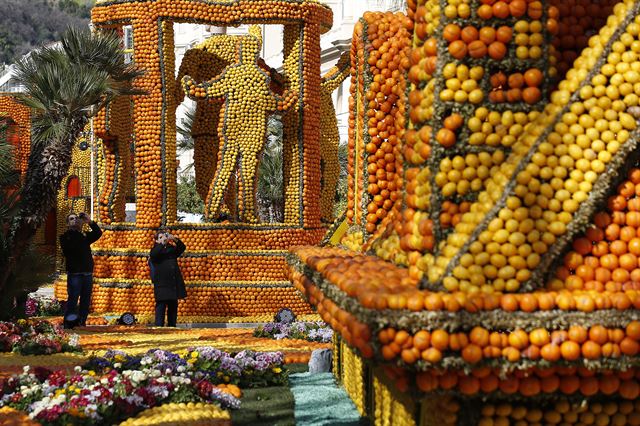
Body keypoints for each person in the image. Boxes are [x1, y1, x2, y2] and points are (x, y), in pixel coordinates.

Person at [60, 212, 102, 328]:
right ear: (68, 224)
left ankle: (81, 322)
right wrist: (77, 231)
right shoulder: (65, 237)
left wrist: (89, 222)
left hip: (87, 273)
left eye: (77, 218)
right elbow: (71, 248)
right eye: (72, 219)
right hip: (75, 274)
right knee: (73, 300)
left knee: (85, 300)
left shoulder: (84, 236)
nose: (75, 220)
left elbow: (98, 233)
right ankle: (69, 324)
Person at [149, 231, 187, 327]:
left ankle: (172, 326)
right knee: (161, 306)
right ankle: (159, 327)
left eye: (164, 236)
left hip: (173, 283)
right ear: (157, 240)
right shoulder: (155, 250)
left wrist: (174, 239)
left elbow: (182, 248)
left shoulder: (171, 249)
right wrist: (162, 243)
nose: (164, 238)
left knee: (173, 306)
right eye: (160, 237)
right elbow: (154, 255)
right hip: (162, 284)